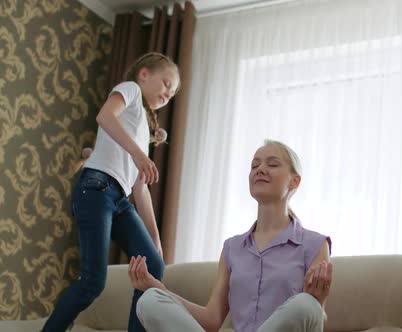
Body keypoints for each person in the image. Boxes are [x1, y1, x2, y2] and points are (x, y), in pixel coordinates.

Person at [128, 139, 333, 332]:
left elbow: (310, 316)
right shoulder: (232, 248)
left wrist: (317, 300)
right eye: (254, 166)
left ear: (294, 181)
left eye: (272, 164)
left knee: (307, 304)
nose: (260, 169)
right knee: (149, 300)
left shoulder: (314, 244)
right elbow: (211, 321)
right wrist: (156, 286)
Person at [42, 52, 180, 332]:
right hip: (96, 188)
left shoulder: (141, 127)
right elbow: (105, 116)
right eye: (166, 83)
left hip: (118, 199)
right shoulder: (129, 89)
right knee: (93, 281)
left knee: (153, 265)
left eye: (173, 91)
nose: (169, 92)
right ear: (144, 75)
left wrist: (156, 242)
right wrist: (141, 155)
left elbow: (140, 189)